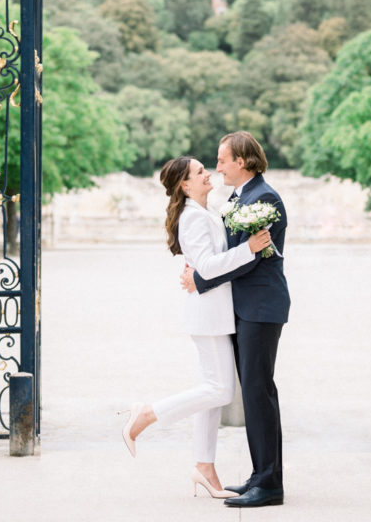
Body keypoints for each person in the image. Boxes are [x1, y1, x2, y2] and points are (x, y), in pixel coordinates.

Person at [121, 155, 271, 499]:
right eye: (200, 171)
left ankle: (204, 468)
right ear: (184, 185)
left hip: (215, 312)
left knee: (212, 392)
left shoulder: (205, 213)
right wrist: (248, 249)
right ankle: (147, 414)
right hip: (208, 314)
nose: (209, 174)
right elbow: (207, 266)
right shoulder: (192, 218)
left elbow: (201, 267)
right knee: (221, 391)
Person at [181, 131, 290, 509]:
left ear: (242, 161)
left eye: (222, 159)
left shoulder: (264, 198)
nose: (218, 167)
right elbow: (231, 253)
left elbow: (251, 257)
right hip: (247, 310)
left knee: (259, 394)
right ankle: (262, 476)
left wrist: (199, 279)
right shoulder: (243, 198)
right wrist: (200, 272)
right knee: (256, 393)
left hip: (261, 308)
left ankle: (269, 484)